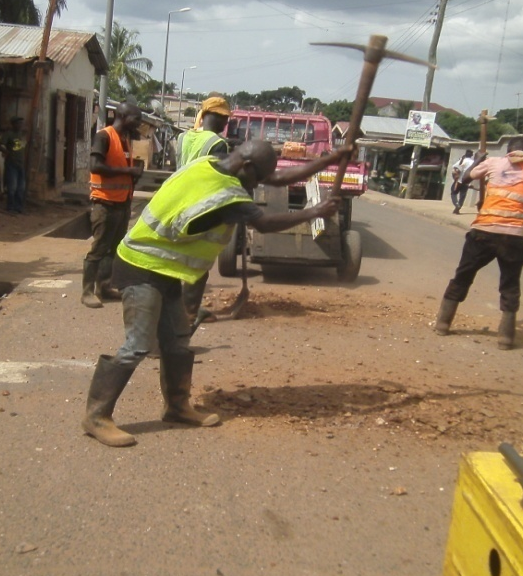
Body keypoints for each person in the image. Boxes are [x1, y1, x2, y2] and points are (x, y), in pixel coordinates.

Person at [81, 140, 353, 447]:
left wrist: (331, 159)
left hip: (165, 267)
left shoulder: (210, 163)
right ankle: (97, 416)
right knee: (138, 345)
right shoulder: (228, 197)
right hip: (141, 265)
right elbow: (264, 224)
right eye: (258, 178)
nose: (259, 186)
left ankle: (176, 407)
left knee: (178, 342)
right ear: (246, 167)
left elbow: (275, 178)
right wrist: (315, 211)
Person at [434, 137, 523, 350]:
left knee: (463, 276)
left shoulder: (494, 163)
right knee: (510, 285)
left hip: (484, 231)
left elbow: (465, 178)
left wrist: (478, 159)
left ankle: (442, 324)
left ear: (507, 150)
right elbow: (511, 193)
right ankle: (506, 339)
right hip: (514, 236)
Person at [175, 96, 233, 319]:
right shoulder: (218, 144)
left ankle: (173, 308)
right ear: (213, 116)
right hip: (200, 208)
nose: (225, 123)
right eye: (224, 118)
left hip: (177, 204)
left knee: (175, 260)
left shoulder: (182, 137)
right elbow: (219, 179)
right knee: (198, 265)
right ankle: (189, 312)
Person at [82, 102, 144, 309]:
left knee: (114, 249)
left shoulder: (124, 140)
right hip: (104, 203)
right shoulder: (104, 136)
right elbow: (95, 166)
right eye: (136, 118)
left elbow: (119, 166)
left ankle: (105, 286)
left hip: (122, 203)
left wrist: (133, 174)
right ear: (123, 117)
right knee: (99, 249)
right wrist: (128, 172)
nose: (139, 123)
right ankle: (87, 292)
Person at [0, 116, 27, 214]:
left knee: (21, 187)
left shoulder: (21, 135)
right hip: (11, 163)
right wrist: (6, 151)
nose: (20, 125)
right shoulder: (9, 134)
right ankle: (10, 207)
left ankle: (19, 207)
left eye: (21, 123)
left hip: (21, 164)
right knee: (12, 186)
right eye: (18, 123)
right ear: (13, 124)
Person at [449, 150, 474, 214]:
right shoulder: (473, 163)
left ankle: (457, 204)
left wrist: (455, 177)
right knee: (462, 196)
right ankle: (458, 208)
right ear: (472, 155)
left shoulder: (462, 160)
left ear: (465, 154)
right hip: (467, 182)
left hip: (459, 181)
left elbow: (455, 168)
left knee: (453, 193)